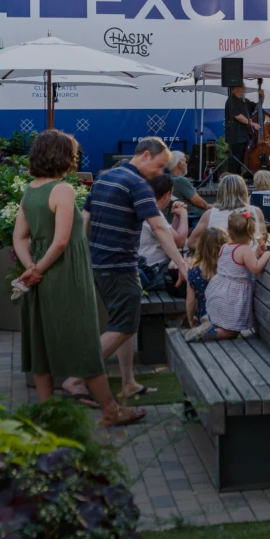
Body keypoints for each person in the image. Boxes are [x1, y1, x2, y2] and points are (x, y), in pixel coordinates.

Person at [11, 130, 144, 427]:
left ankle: (48, 415)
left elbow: (19, 237)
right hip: (65, 275)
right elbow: (61, 242)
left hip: (39, 275)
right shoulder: (63, 190)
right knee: (84, 342)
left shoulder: (30, 190)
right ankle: (111, 410)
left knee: (41, 344)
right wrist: (40, 270)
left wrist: (31, 267)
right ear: (63, 156)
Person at [75, 135, 185, 404]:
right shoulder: (137, 184)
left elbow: (84, 219)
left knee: (124, 323)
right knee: (123, 327)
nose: (160, 173)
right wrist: (182, 264)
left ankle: (128, 382)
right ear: (145, 156)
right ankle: (75, 377)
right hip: (120, 265)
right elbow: (160, 228)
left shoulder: (104, 177)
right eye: (159, 166)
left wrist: (85, 255)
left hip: (100, 263)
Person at [188, 209, 270, 341]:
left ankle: (209, 321)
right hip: (232, 294)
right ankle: (211, 333)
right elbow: (255, 268)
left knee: (225, 324)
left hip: (219, 288)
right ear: (251, 233)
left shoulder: (225, 247)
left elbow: (239, 263)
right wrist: (267, 255)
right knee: (233, 332)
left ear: (228, 230)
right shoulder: (245, 250)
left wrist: (256, 253)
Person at [136, 174, 190, 298]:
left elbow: (167, 236)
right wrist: (184, 214)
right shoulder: (152, 211)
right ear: (167, 195)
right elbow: (179, 241)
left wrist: (176, 217)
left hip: (147, 269)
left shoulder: (146, 206)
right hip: (152, 273)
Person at [223, 82, 260, 178]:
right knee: (236, 157)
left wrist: (261, 97)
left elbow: (256, 107)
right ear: (236, 88)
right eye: (242, 86)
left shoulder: (244, 101)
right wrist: (252, 123)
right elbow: (238, 116)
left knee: (243, 157)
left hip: (244, 134)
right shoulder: (231, 101)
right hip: (235, 134)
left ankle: (239, 176)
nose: (244, 88)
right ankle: (233, 177)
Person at [166, 151, 210, 223]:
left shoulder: (166, 178)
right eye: (185, 162)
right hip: (192, 216)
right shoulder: (181, 181)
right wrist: (211, 208)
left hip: (178, 216)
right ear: (180, 164)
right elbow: (200, 203)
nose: (186, 164)